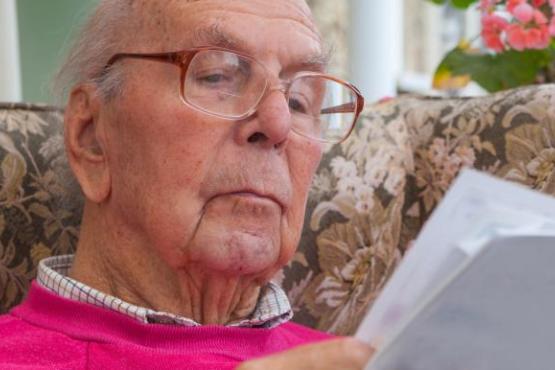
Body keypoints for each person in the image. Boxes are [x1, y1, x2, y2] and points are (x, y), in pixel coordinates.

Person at [0, 0, 372, 368]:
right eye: (217, 75)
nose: (278, 124)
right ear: (92, 138)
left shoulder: (374, 359)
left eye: (298, 101)